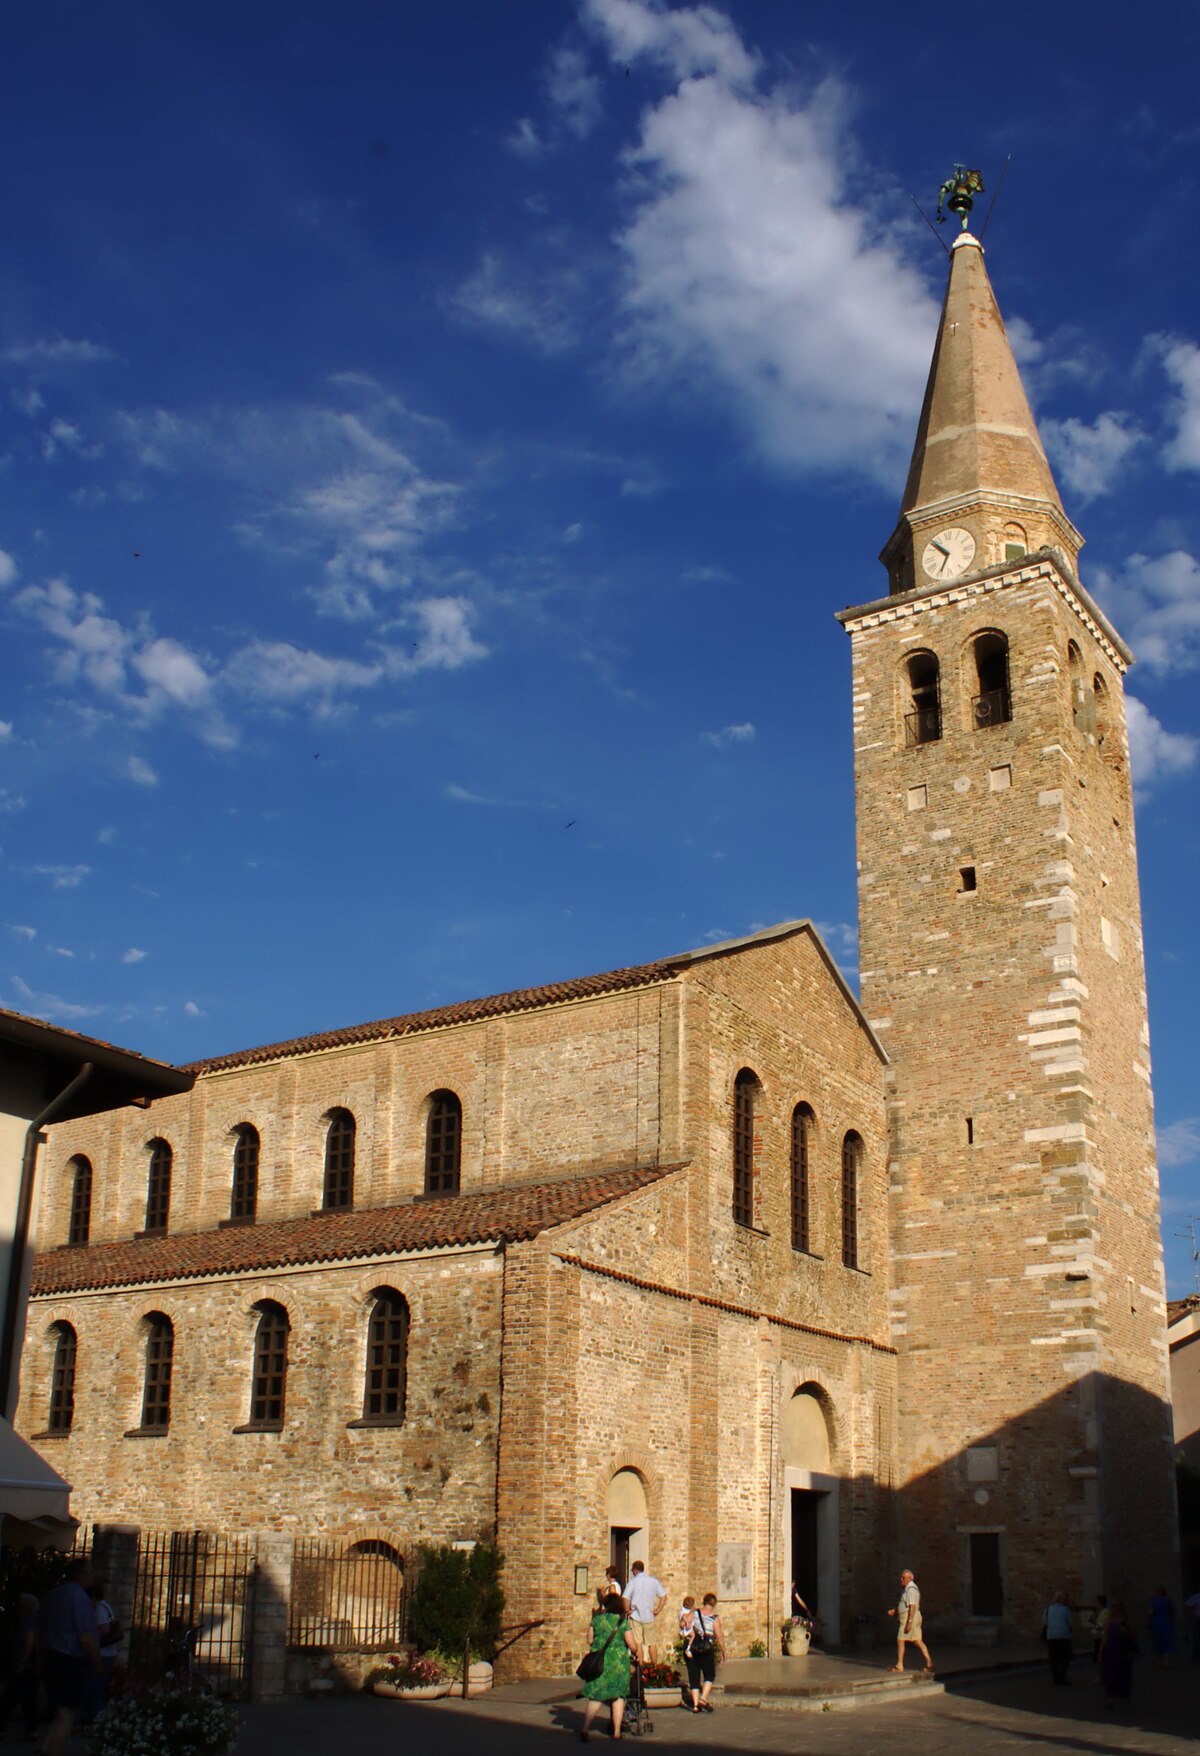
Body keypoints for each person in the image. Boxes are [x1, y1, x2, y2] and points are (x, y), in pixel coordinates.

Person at [36, 1558, 101, 1756]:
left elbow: (42, 1626)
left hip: (51, 1657)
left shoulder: (55, 1594)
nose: (92, 1575)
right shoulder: (79, 1598)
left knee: (59, 1710)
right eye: (89, 1572)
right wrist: (97, 1661)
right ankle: (54, 1752)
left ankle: (46, 1747)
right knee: (67, 1714)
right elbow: (85, 1636)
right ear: (81, 1574)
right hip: (69, 1661)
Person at [578, 1592, 639, 1743]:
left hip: (600, 1663)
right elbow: (633, 1646)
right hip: (618, 1664)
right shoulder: (622, 1623)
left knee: (596, 1697)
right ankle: (617, 1732)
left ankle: (585, 1728)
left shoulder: (596, 1621)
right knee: (617, 1697)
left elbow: (590, 1640)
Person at [0, 1589, 40, 1742]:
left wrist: (22, 1661)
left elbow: (29, 1640)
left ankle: (2, 1727)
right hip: (30, 1666)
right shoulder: (35, 1620)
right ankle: (31, 1730)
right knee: (29, 1699)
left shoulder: (27, 1620)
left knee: (10, 1697)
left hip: (24, 1665)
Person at [84, 1580, 122, 1722]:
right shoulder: (106, 1606)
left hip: (102, 1653)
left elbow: (104, 1629)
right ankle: (96, 1717)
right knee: (99, 1686)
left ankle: (93, 1717)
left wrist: (92, 1638)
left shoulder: (99, 1608)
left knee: (94, 1687)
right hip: (109, 1653)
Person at [683, 1594, 725, 1713]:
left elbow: (684, 1620)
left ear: (704, 1601)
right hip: (706, 1648)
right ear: (714, 1604)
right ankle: (703, 1699)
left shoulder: (694, 1612)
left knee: (694, 1676)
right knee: (709, 1675)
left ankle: (695, 1705)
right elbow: (719, 1636)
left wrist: (686, 1625)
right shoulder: (714, 1618)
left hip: (692, 1647)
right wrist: (724, 1651)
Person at [887, 1569, 933, 1675]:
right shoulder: (908, 1589)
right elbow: (906, 1604)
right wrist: (895, 1611)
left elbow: (912, 1606)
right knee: (918, 1641)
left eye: (903, 1577)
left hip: (909, 1618)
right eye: (901, 1577)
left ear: (910, 1578)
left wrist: (909, 1622)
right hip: (911, 1617)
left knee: (900, 1640)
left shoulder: (911, 1589)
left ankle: (899, 1665)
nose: (901, 1579)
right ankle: (929, 1663)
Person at [624, 1561, 666, 1664]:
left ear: (635, 1570)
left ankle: (641, 1668)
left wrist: (627, 1610)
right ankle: (655, 1668)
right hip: (649, 1615)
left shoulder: (633, 1582)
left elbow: (625, 1597)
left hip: (635, 1615)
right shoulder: (653, 1581)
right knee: (651, 1643)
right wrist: (658, 1610)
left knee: (638, 1643)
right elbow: (663, 1596)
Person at [1100, 1600, 1137, 1708]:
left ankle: (1126, 1699)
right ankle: (1110, 1699)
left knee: (1125, 1675)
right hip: (1112, 1649)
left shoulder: (1127, 1620)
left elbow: (1134, 1635)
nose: (1116, 1609)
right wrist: (1101, 1651)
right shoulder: (1109, 1621)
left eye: (1118, 1607)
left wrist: (1126, 1631)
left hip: (1124, 1650)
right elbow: (1105, 1637)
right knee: (1111, 1674)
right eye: (1114, 1607)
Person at [1042, 1590, 1072, 1685]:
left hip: (1051, 1636)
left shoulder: (1048, 1609)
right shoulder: (1065, 1609)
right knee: (1064, 1658)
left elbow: (1044, 1622)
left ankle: (1056, 1678)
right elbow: (1070, 1623)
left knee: (1054, 1659)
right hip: (1063, 1636)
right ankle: (1063, 1678)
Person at [1148, 1584, 1176, 1669]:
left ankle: (1160, 1662)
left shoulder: (1154, 1601)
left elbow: (1151, 1612)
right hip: (1166, 1623)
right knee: (1167, 1642)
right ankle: (1166, 1662)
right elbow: (1172, 1611)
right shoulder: (1168, 1601)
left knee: (1158, 1642)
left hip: (1157, 1623)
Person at [1090, 1593, 1110, 1668]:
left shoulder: (1106, 1612)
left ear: (1099, 1603)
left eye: (1095, 1602)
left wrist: (1095, 1621)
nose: (1094, 1603)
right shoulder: (1099, 1611)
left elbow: (1103, 1624)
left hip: (1102, 1636)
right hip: (1097, 1636)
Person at [1184, 1586, 1200, 1663]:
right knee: (1197, 1638)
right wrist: (1194, 1614)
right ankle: (1196, 1656)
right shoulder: (1196, 1597)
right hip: (1198, 1619)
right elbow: (1187, 1605)